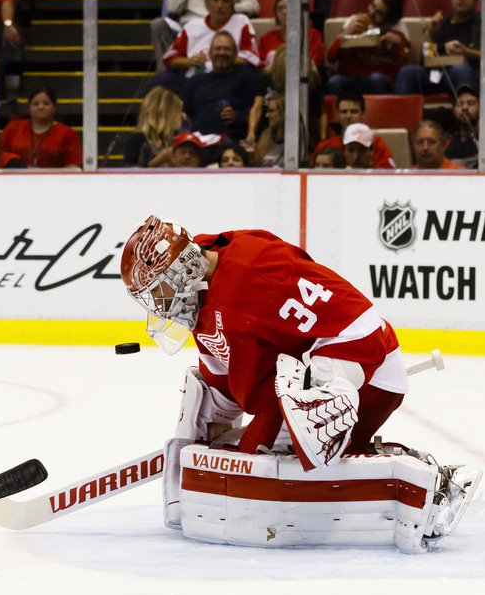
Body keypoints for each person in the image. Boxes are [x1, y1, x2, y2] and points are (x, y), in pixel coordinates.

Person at [118, 214, 474, 551]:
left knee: (300, 421)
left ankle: (432, 486)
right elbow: (228, 378)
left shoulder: (242, 286)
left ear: (184, 268)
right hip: (313, 360)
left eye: (160, 289)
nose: (160, 304)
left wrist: (250, 448)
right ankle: (331, 441)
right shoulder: (208, 269)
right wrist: (204, 444)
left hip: (366, 361)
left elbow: (345, 329)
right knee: (208, 396)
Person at [156, 0, 260, 96]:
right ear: (207, 4)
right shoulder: (192, 26)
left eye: (225, 1)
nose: (220, 5)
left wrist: (219, 59)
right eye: (215, 0)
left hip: (228, 78)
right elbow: (170, 59)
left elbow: (252, 58)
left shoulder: (241, 22)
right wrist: (189, 61)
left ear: (232, 5)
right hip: (194, 80)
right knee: (163, 78)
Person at [394, 0, 481, 97]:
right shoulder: (441, 23)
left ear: (476, 0)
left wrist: (466, 52)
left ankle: (469, 112)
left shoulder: (480, 23)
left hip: (466, 73)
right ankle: (401, 114)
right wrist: (430, 30)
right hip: (435, 74)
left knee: (460, 70)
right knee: (408, 72)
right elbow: (415, 58)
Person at [181, 31, 265, 148]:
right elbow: (184, 114)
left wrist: (237, 116)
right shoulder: (194, 82)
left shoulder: (248, 77)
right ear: (209, 54)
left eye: (227, 49)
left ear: (236, 54)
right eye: (218, 49)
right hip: (197, 144)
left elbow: (258, 111)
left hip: (231, 144)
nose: (222, 53)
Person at [325, 0, 409, 96]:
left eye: (379, 13)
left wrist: (398, 45)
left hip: (379, 80)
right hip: (352, 79)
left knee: (375, 79)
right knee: (335, 82)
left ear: (389, 19)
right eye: (372, 6)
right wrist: (344, 35)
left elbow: (404, 66)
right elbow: (330, 58)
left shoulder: (396, 34)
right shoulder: (355, 25)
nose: (371, 12)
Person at [0, 86, 81, 168]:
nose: (41, 107)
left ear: (54, 107)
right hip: (14, 179)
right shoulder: (13, 128)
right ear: (29, 107)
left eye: (46, 103)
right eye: (36, 104)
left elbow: (73, 166)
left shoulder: (68, 133)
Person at [311, 90, 395, 169]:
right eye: (344, 112)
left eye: (354, 112)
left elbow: (389, 175)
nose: (348, 116)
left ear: (363, 113)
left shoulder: (377, 144)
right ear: (337, 114)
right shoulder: (325, 147)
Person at [258, 0, 324, 74]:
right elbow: (261, 69)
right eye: (280, 9)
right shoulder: (266, 39)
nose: (285, 12)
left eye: (290, 7)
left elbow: (312, 67)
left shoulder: (313, 35)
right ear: (275, 13)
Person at [122, 86, 185, 167]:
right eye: (178, 111)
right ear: (168, 114)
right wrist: (154, 163)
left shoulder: (180, 138)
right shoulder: (138, 140)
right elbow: (128, 176)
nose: (181, 115)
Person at [447, 85, 479, 169]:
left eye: (471, 103)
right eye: (459, 104)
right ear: (453, 110)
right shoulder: (447, 141)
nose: (464, 108)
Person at [251, 94, 284, 167]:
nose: (267, 115)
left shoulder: (295, 141)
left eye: (271, 111)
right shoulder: (265, 136)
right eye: (267, 111)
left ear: (284, 113)